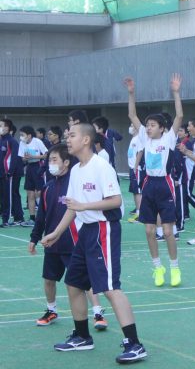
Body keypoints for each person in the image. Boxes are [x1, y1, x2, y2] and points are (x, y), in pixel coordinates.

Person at [40, 123, 146, 364]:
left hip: (103, 229)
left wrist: (84, 206)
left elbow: (115, 201)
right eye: (67, 135)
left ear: (86, 140)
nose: (68, 139)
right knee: (73, 283)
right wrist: (56, 232)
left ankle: (135, 344)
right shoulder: (76, 170)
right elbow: (72, 207)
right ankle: (82, 336)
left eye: (72, 135)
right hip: (86, 231)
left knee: (110, 288)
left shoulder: (101, 166)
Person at [29, 144, 108, 330]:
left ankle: (98, 313)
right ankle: (51, 310)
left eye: (54, 160)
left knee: (82, 281)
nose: (50, 163)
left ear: (66, 162)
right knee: (49, 279)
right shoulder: (47, 187)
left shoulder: (75, 184)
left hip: (73, 243)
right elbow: (41, 217)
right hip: (52, 243)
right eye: (49, 160)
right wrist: (34, 238)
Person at [126, 74, 183, 287]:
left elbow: (179, 116)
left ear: (161, 128)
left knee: (168, 231)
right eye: (147, 125)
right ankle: (158, 267)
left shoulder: (168, 139)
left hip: (165, 185)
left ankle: (174, 267)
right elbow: (132, 114)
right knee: (149, 230)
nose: (148, 128)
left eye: (152, 125)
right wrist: (131, 93)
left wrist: (176, 92)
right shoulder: (144, 138)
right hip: (149, 184)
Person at [19, 125, 48, 227]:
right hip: (29, 167)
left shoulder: (37, 141)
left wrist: (34, 156)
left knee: (39, 193)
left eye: (22, 135)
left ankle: (44, 216)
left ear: (29, 135)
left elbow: (46, 154)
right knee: (30, 194)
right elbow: (22, 158)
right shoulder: (22, 143)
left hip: (38, 166)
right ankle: (32, 218)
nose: (21, 137)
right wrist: (26, 158)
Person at [0, 119, 25, 227]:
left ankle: (6, 219)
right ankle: (18, 217)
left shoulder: (12, 141)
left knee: (9, 196)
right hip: (3, 173)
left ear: (7, 128)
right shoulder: (2, 140)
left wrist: (10, 172)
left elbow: (14, 158)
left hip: (9, 174)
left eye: (1, 125)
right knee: (7, 195)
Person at [126, 123, 144, 223]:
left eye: (132, 125)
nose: (130, 127)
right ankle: (138, 211)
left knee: (138, 191)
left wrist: (136, 166)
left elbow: (140, 152)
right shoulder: (134, 138)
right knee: (134, 191)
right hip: (132, 168)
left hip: (137, 169)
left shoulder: (139, 138)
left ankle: (139, 214)